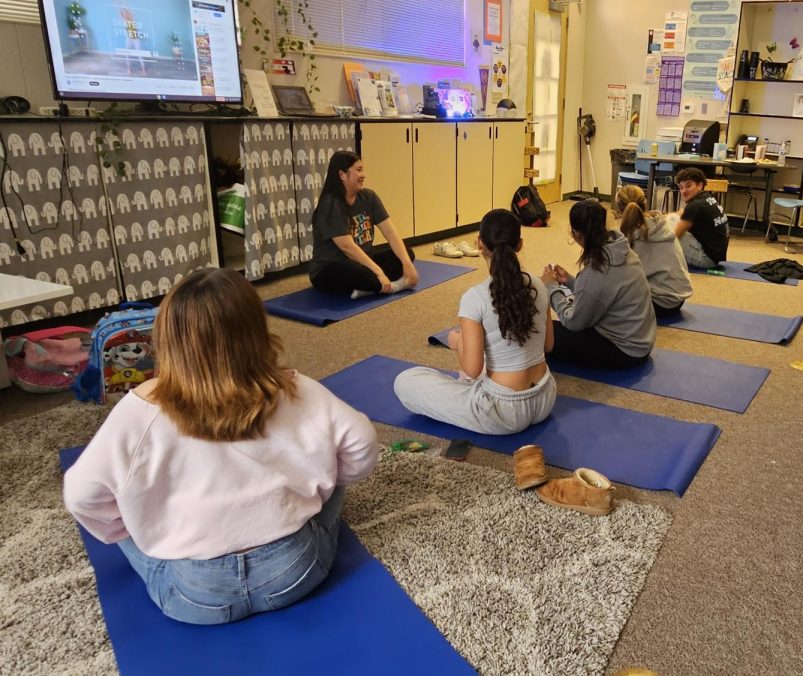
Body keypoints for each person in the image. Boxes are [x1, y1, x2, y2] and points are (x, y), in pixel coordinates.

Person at [63, 269, 378, 625]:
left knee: (126, 516)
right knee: (335, 476)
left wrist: (134, 528)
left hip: (196, 596)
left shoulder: (140, 409)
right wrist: (320, 482)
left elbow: (80, 496)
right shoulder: (295, 387)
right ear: (255, 331)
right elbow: (362, 443)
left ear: (166, 339)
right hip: (294, 573)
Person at [394, 209, 556, 434]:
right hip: (545, 397)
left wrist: (458, 341)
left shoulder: (475, 297)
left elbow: (471, 370)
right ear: (520, 244)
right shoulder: (538, 284)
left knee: (405, 381)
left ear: (479, 243)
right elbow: (548, 346)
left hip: (502, 411)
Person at [541, 199, 656, 368]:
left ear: (575, 233)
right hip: (641, 340)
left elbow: (573, 321)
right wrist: (570, 281)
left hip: (625, 350)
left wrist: (551, 288)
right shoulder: (621, 249)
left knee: (543, 331)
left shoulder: (595, 272)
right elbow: (602, 291)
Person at [308, 151, 420, 298]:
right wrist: (378, 272)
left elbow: (391, 233)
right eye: (358, 170)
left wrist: (407, 264)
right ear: (342, 175)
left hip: (363, 262)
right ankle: (391, 286)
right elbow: (347, 248)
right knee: (353, 270)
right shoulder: (330, 204)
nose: (363, 175)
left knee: (406, 253)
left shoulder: (369, 197)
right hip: (331, 269)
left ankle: (370, 287)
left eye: (363, 170)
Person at [614, 184, 693, 318]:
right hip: (678, 299)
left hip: (659, 303)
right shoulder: (662, 224)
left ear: (619, 209)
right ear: (644, 203)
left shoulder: (630, 238)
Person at [673, 167, 730, 269]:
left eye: (688, 186)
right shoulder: (707, 197)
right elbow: (681, 213)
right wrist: (658, 216)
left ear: (699, 185)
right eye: (681, 187)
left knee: (668, 230)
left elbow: (673, 236)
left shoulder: (695, 206)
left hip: (706, 260)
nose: (684, 191)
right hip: (715, 256)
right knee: (672, 219)